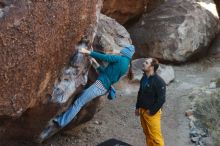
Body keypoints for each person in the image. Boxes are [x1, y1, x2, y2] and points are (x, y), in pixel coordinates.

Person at [39, 44, 135, 141]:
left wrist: (88, 52)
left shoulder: (120, 59)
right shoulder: (126, 65)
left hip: (99, 86)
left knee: (78, 103)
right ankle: (64, 118)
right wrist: (94, 63)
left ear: (126, 51)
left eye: (123, 49)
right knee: (80, 98)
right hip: (102, 87)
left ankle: (61, 122)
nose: (121, 50)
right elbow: (108, 75)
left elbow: (105, 57)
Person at [135, 58, 166, 146]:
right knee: (148, 134)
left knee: (156, 138)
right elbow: (140, 92)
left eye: (146, 63)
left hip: (153, 113)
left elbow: (162, 99)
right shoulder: (144, 78)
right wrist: (137, 107)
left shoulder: (159, 82)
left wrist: (151, 111)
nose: (143, 63)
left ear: (152, 67)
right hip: (142, 110)